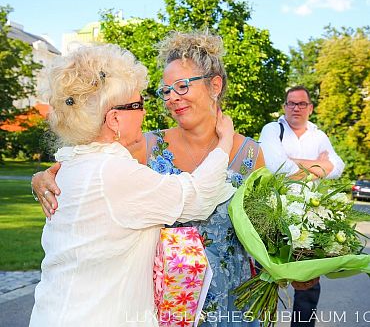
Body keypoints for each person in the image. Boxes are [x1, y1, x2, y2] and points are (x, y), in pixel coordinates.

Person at [32, 31, 264, 326]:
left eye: (181, 86)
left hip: (232, 295)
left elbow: (262, 231)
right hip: (160, 304)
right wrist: (40, 177)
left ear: (214, 85)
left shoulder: (251, 153)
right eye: (165, 90)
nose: (170, 99)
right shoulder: (142, 146)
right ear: (115, 119)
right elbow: (195, 196)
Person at [259, 85, 345, 327]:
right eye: (291, 103)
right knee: (267, 281)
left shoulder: (319, 135)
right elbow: (275, 165)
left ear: (310, 107)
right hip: (272, 216)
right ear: (284, 106)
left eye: (301, 104)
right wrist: (319, 167)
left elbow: (337, 168)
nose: (296, 108)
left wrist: (294, 164)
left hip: (309, 218)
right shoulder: (272, 130)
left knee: (307, 287)